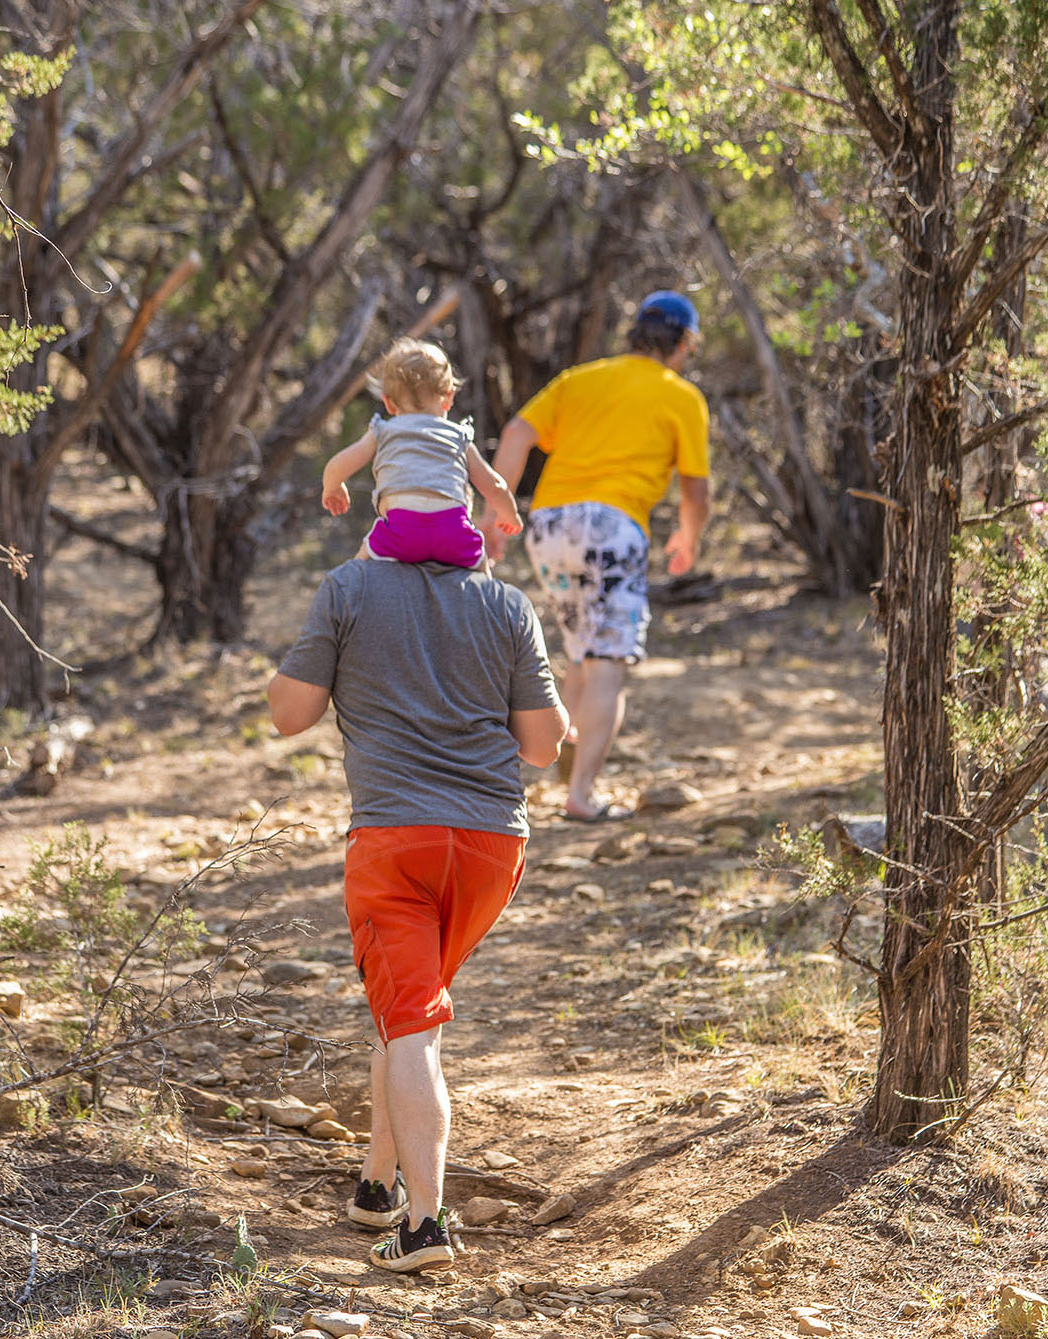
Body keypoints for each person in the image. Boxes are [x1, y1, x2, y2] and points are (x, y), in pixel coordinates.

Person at [267, 558, 567, 1272]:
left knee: (410, 1024)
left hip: (396, 841)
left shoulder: (347, 588)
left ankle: (424, 1226)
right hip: (493, 846)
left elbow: (287, 714)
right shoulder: (506, 602)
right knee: (409, 1010)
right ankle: (378, 1182)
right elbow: (546, 746)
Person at [482, 290, 711, 822]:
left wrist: (495, 513)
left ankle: (559, 769)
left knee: (582, 655)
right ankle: (581, 795)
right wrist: (689, 538)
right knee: (608, 663)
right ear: (682, 343)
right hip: (612, 527)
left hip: (550, 526)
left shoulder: (580, 379)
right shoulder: (680, 396)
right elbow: (696, 493)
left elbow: (518, 432)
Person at [321, 336, 522, 569]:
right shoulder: (458, 437)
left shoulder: (382, 432)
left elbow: (336, 466)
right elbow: (494, 486)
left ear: (388, 403)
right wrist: (510, 515)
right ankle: (485, 599)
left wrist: (332, 487)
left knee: (358, 566)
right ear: (449, 398)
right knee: (483, 570)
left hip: (399, 531)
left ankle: (352, 595)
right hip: (452, 532)